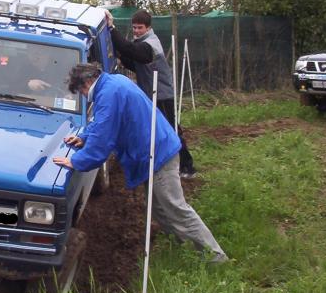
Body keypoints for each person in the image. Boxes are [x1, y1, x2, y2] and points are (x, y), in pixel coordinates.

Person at [52, 63, 227, 262]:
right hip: (153, 150)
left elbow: (103, 137)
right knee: (160, 209)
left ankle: (216, 258)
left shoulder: (108, 94)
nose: (84, 96)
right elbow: (102, 123)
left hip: (158, 154)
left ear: (88, 82)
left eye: (82, 91)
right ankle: (187, 252)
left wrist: (77, 161)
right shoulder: (112, 83)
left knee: (176, 209)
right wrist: (84, 136)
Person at [105, 9, 197, 178]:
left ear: (148, 28)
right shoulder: (142, 42)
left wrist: (112, 29)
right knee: (158, 129)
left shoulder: (150, 44)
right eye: (134, 27)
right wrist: (121, 58)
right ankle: (161, 162)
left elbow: (132, 51)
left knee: (171, 130)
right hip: (152, 92)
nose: (136, 31)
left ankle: (187, 167)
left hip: (162, 94)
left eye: (140, 28)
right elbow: (136, 64)